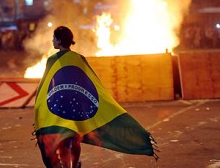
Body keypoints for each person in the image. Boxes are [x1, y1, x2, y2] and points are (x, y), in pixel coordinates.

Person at [34, 26, 157, 168]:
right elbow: (89, 81)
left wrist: (39, 105)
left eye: (54, 38)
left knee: (64, 139)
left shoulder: (52, 60)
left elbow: (45, 85)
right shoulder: (79, 58)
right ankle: (74, 166)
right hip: (77, 107)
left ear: (60, 40)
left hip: (59, 109)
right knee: (74, 138)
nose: (52, 41)